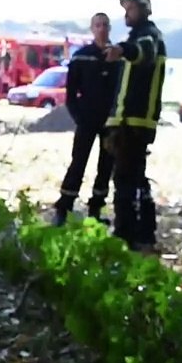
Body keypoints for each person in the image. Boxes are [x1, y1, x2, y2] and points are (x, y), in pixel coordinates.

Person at [104, 0, 167, 251]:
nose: (126, 13)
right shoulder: (136, 38)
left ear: (144, 9)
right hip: (126, 122)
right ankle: (142, 233)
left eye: (130, 8)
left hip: (136, 123)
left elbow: (143, 52)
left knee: (126, 181)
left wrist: (122, 49)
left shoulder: (150, 37)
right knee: (134, 179)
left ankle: (127, 234)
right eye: (125, 8)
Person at [53, 12, 118, 226]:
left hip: (110, 121)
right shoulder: (81, 56)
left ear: (109, 28)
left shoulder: (119, 57)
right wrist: (79, 117)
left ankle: (96, 210)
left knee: (106, 166)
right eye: (97, 25)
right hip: (87, 118)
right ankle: (64, 208)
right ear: (92, 29)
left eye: (105, 25)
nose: (102, 29)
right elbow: (70, 94)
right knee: (78, 162)